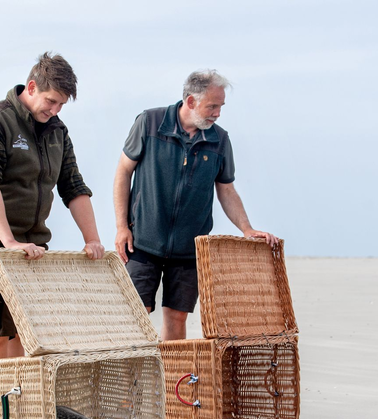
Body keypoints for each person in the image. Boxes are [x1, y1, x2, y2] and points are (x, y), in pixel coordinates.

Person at [0, 52, 104, 361]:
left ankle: (18, 407)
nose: (55, 110)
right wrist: (9, 242)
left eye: (61, 105)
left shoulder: (57, 131)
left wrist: (92, 239)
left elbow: (73, 186)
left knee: (25, 335)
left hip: (33, 244)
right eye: (51, 101)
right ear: (32, 86)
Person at [113, 69, 276, 341]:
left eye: (220, 106)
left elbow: (226, 189)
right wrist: (121, 227)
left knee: (177, 317)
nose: (217, 113)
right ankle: (136, 381)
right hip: (142, 241)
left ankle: (171, 382)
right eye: (212, 106)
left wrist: (246, 228)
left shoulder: (220, 140)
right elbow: (122, 173)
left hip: (190, 248)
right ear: (190, 101)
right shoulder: (150, 122)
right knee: (137, 313)